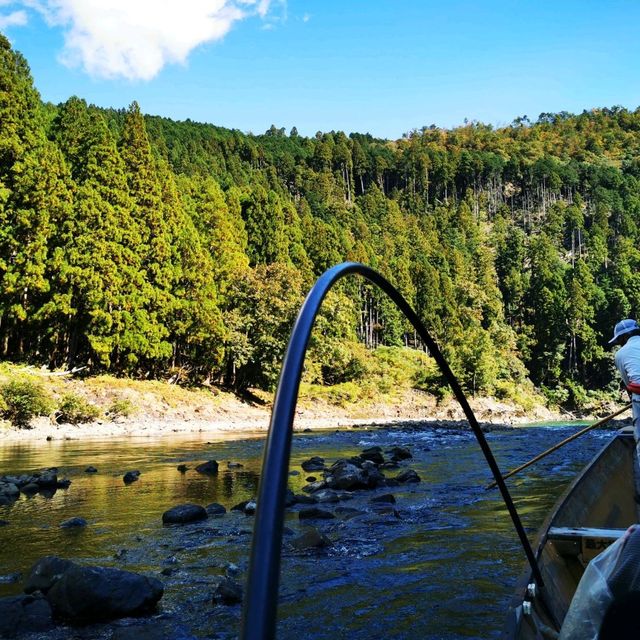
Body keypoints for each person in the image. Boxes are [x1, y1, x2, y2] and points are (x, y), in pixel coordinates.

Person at [610, 318, 640, 448]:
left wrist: (633, 403)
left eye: (619, 340)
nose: (619, 344)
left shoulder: (620, 354)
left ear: (624, 336)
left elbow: (629, 385)